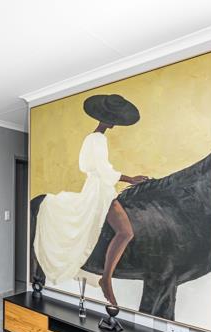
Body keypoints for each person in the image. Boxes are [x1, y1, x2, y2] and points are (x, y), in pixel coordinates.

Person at [34, 94, 148, 306]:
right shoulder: (98, 139)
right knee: (125, 232)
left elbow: (87, 167)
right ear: (107, 119)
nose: (114, 123)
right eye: (113, 119)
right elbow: (103, 169)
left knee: (120, 231)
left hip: (96, 186)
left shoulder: (91, 137)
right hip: (100, 190)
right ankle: (106, 279)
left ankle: (105, 277)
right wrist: (130, 178)